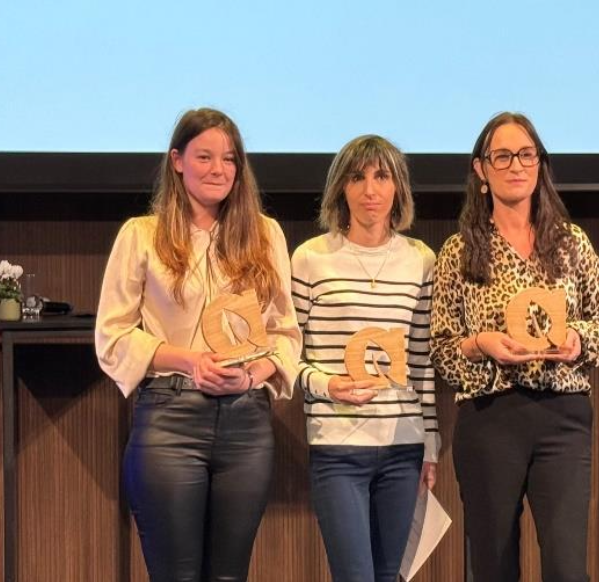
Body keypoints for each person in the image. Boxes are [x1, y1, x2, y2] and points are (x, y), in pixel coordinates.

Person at [95, 108, 300, 582]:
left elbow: (285, 335)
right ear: (177, 161)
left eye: (229, 159)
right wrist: (189, 361)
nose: (218, 169)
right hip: (170, 419)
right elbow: (113, 334)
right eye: (204, 156)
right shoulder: (141, 234)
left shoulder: (265, 234)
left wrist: (252, 374)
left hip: (246, 422)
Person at [429, 112, 599, 582]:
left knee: (567, 565)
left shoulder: (571, 243)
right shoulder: (461, 250)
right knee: (493, 565)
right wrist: (480, 344)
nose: (516, 165)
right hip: (491, 417)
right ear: (481, 170)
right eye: (503, 156)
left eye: (527, 154)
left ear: (540, 164)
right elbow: (442, 345)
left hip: (563, 417)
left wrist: (577, 340)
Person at [289, 135, 440, 582]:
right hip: (337, 447)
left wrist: (429, 444)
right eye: (358, 177)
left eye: (381, 176)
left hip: (402, 447)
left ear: (398, 188)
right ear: (341, 188)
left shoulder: (421, 260)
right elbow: (285, 352)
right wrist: (326, 384)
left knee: (392, 575)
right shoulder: (311, 259)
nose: (370, 189)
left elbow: (422, 361)